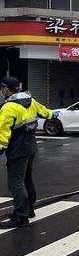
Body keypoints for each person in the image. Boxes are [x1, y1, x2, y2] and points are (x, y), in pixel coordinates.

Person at [0, 76, 58, 229]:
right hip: (30, 148)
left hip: (17, 151)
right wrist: (53, 114)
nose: (1, 91)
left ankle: (20, 216)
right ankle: (29, 210)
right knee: (26, 180)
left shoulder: (8, 107)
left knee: (15, 183)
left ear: (6, 89)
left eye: (2, 89)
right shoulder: (30, 101)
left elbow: (3, 131)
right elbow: (45, 113)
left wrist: (0, 148)